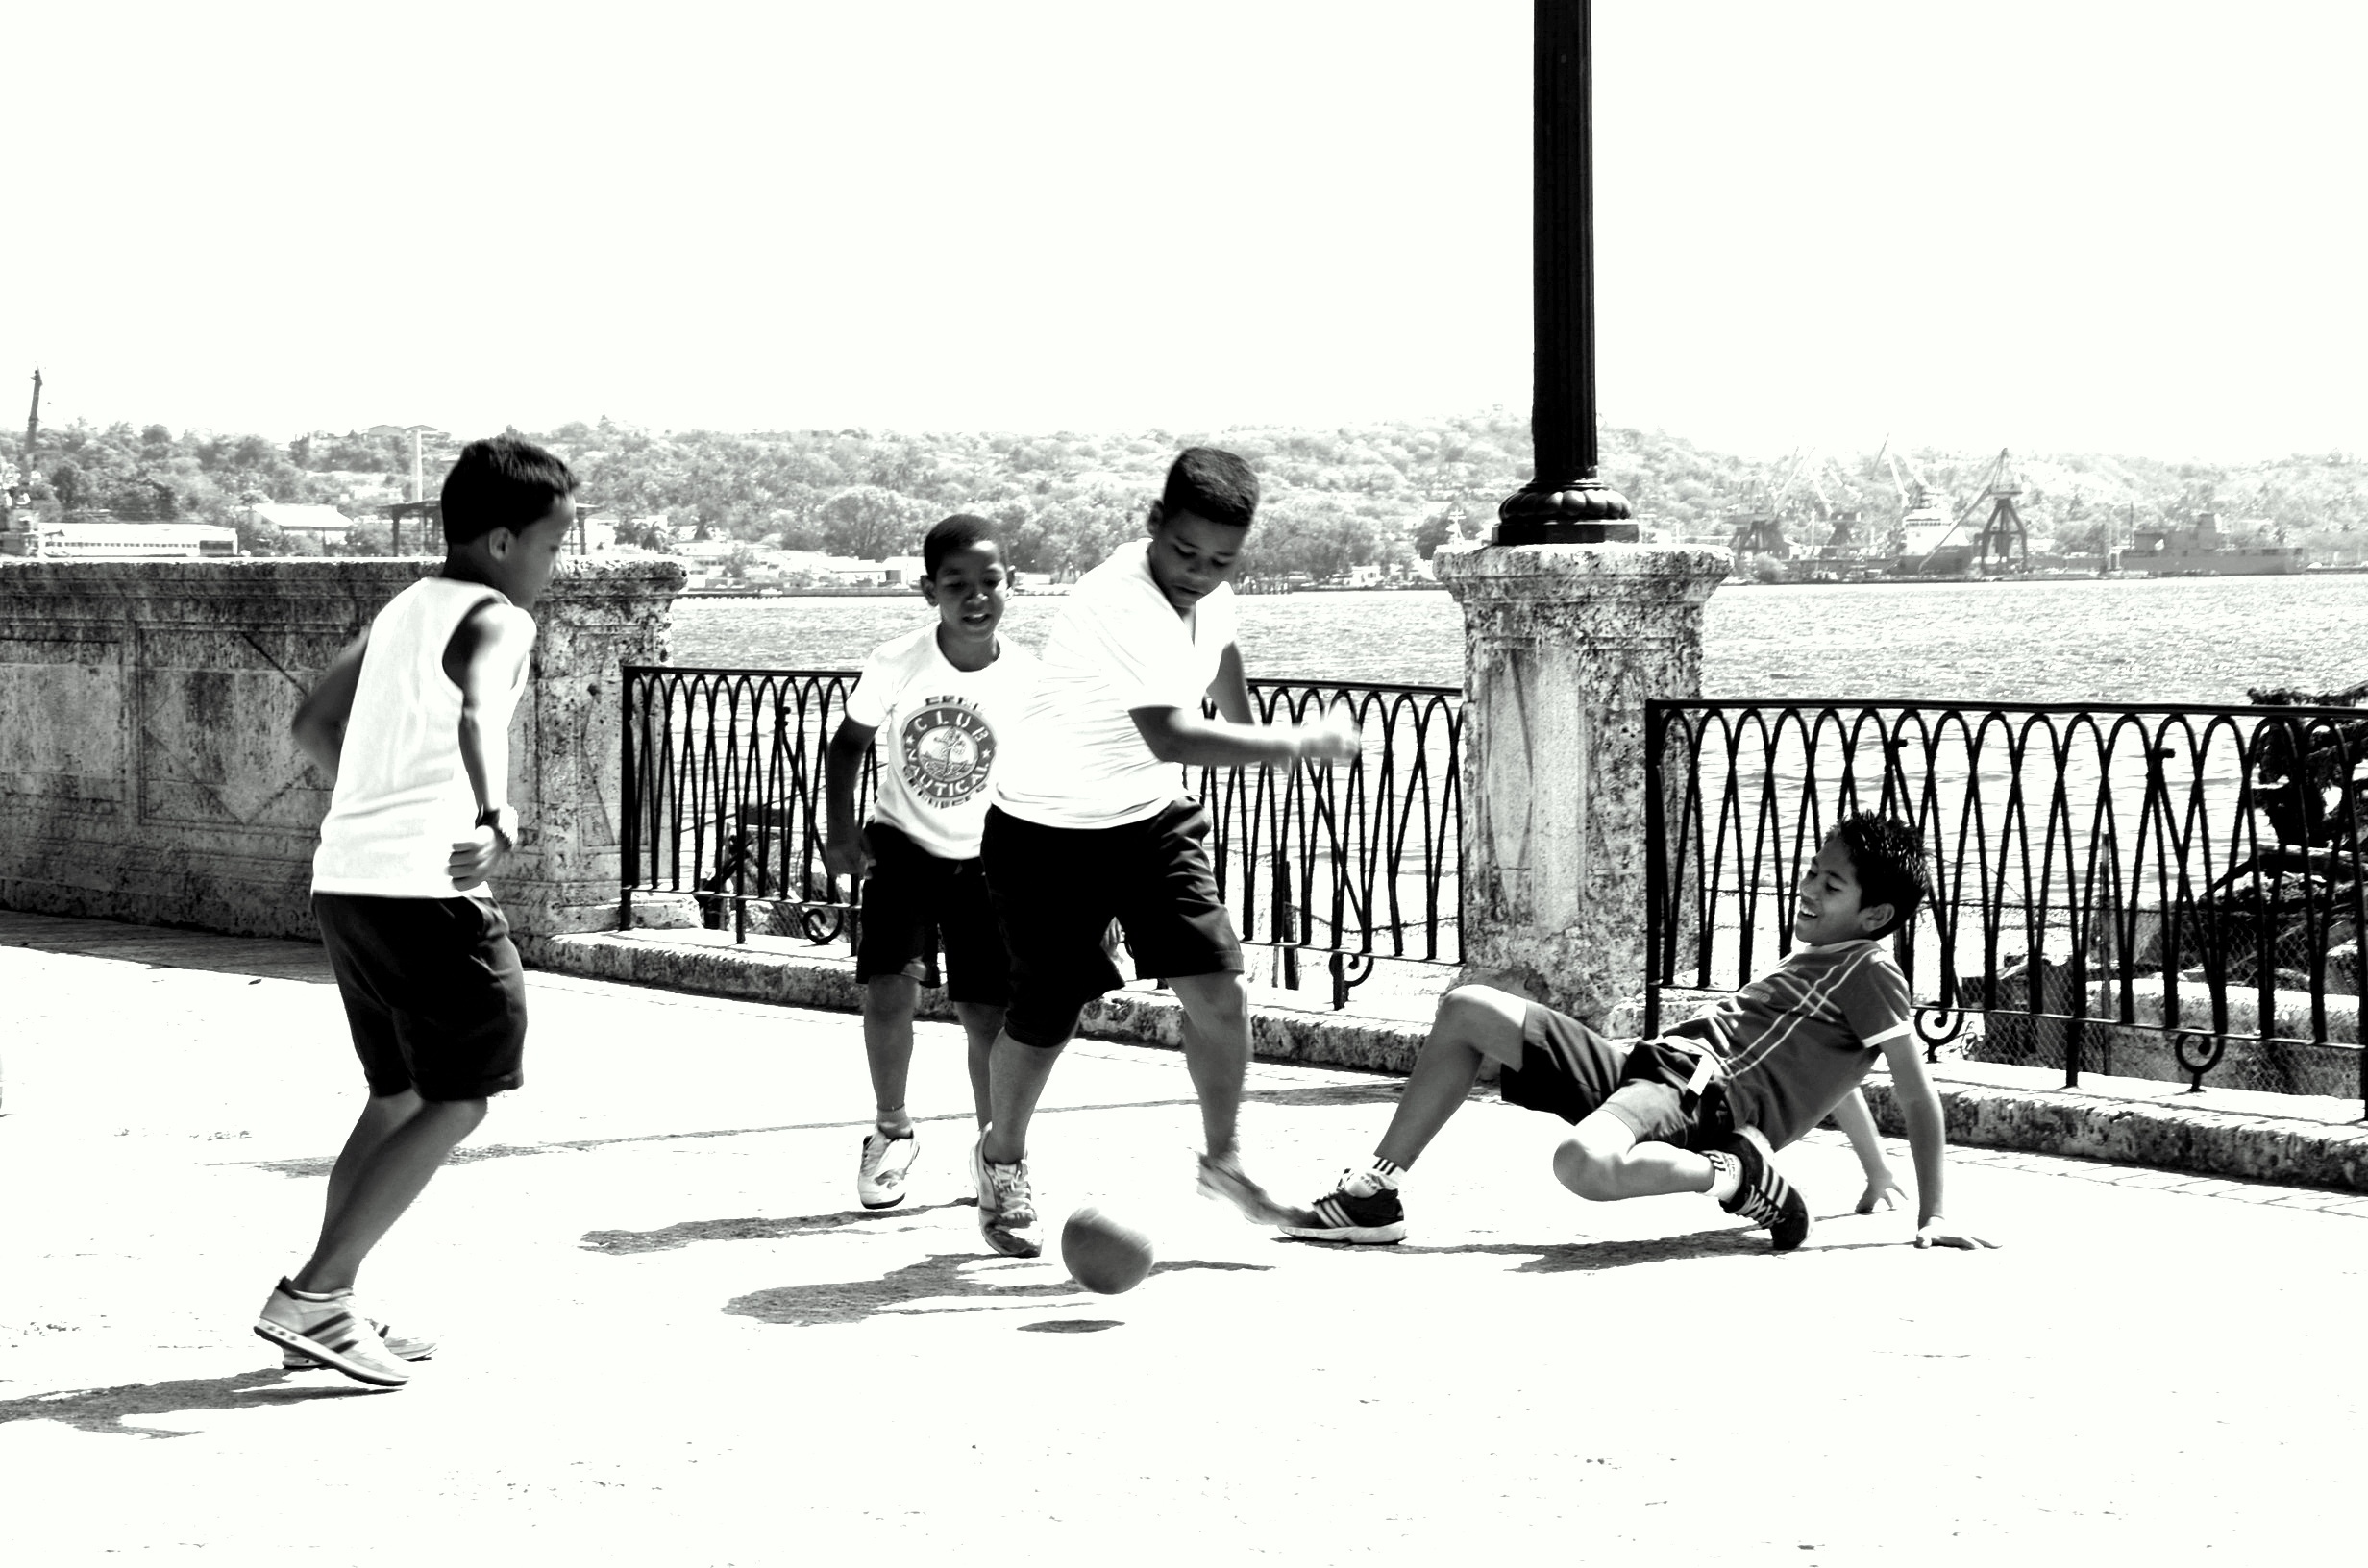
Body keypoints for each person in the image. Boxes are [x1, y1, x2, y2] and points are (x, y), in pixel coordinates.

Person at [969, 446, 1361, 1258]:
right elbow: (1170, 733)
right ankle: (1001, 1158)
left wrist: (1242, 721)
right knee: (1047, 1014)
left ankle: (1223, 1162)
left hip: (1146, 816)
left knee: (1220, 991)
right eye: (1185, 553)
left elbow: (1218, 657)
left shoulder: (1209, 592)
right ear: (1153, 525)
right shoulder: (1118, 599)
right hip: (1044, 829)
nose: (1199, 572)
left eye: (1221, 560)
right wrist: (1291, 744)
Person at [1284, 812, 1997, 1254]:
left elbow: (1915, 1091)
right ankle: (1375, 1192)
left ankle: (1736, 1175)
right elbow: (1839, 1076)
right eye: (1812, 870)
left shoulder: (1869, 972)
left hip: (1700, 1102)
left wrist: (1931, 1215)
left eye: (1831, 885)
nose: (1808, 887)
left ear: (1875, 916)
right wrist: (1877, 1173)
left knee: (1580, 1163)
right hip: (1650, 1071)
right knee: (1468, 1007)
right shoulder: (1817, 963)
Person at [255, 436, 575, 1387]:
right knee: (463, 1094)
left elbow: (313, 724)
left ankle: (333, 1299)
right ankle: (314, 1293)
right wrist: (492, 810)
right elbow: (479, 707)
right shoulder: (497, 617)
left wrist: (382, 805)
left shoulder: (401, 608)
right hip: (429, 894)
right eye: (554, 550)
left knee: (396, 1095)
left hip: (347, 880)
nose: (555, 572)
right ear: (505, 540)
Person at [823, 514, 1037, 1210]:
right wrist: (840, 834)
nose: (976, 598)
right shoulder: (899, 662)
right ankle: (892, 1131)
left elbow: (1049, 770)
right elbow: (846, 744)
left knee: (986, 1014)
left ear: (1010, 585)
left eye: (990, 583)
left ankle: (994, 1150)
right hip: (904, 846)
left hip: (991, 859)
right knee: (888, 990)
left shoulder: (1031, 677)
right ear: (929, 591)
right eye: (957, 585)